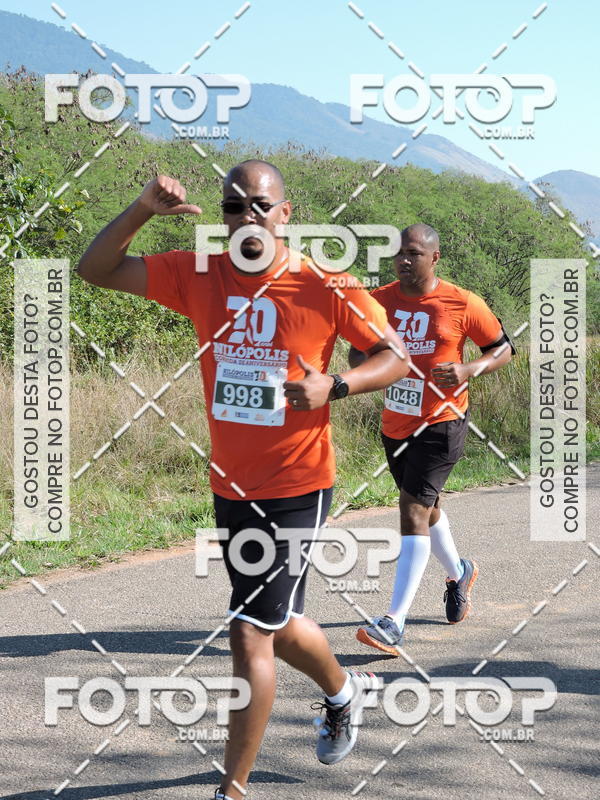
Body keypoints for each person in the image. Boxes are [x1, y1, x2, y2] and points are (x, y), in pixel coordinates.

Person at [77, 161, 410, 800]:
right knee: (278, 622)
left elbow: (396, 356)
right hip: (231, 483)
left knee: (249, 629)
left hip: (298, 482)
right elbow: (96, 269)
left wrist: (337, 385)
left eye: (260, 204)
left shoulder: (324, 283)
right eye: (234, 206)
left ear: (285, 213)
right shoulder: (197, 273)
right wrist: (142, 208)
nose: (247, 216)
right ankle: (346, 691)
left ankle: (232, 790)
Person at [350, 223, 513, 655]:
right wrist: (369, 358)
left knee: (412, 508)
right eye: (400, 253)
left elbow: (502, 348)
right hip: (396, 422)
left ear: (434, 258)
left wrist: (467, 370)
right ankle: (460, 571)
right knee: (428, 507)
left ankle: (394, 621)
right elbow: (357, 350)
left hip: (443, 421)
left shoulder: (462, 302)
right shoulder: (379, 301)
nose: (404, 260)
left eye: (414, 254)